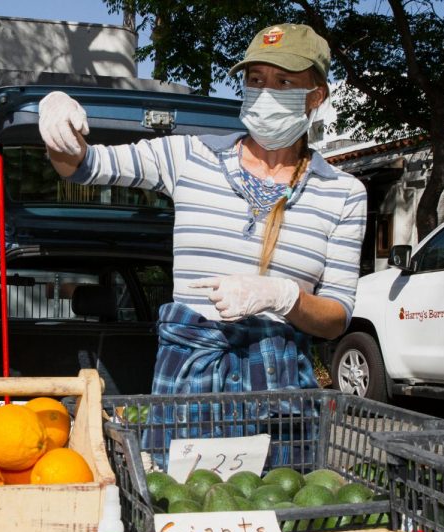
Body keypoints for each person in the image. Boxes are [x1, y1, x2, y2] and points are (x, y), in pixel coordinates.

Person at [38, 23, 367, 396]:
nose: (265, 94)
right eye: (256, 79)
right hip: (190, 389)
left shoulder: (343, 193)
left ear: (316, 96)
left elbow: (336, 318)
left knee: (287, 460)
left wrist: (284, 296)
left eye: (284, 83)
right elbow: (85, 165)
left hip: (280, 392)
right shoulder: (190, 156)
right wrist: (56, 125)